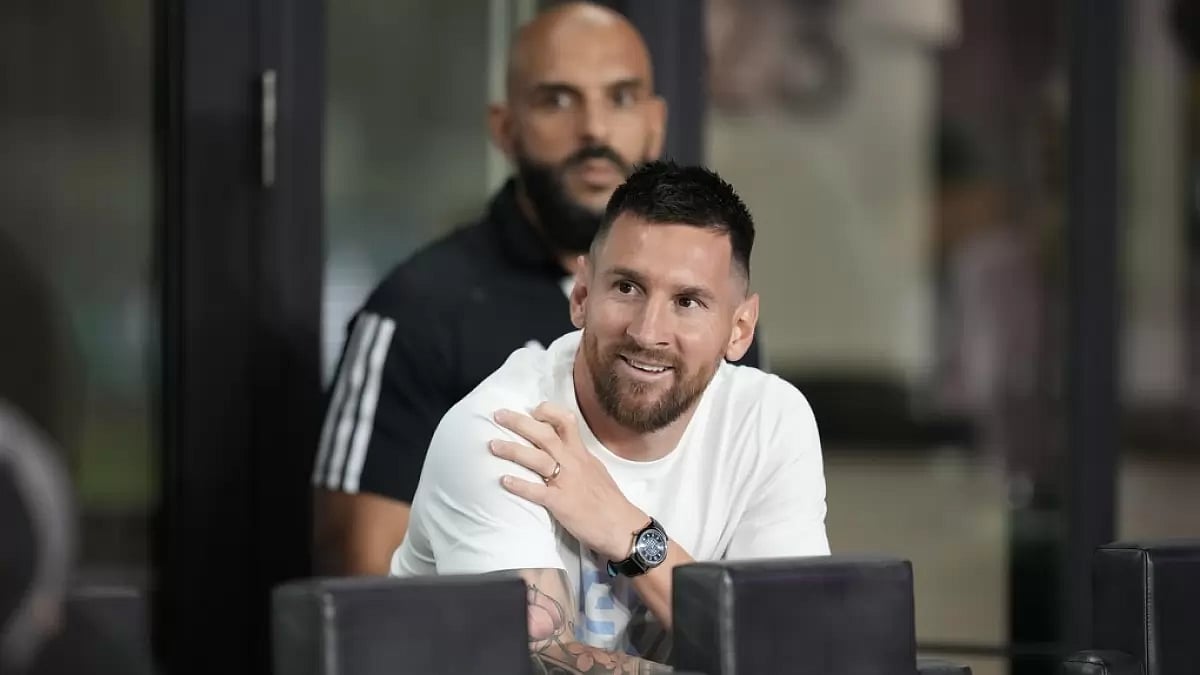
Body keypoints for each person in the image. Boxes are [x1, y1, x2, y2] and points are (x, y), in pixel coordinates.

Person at [311, 1, 763, 575]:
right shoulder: (417, 310)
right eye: (558, 99)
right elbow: (365, 577)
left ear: (655, 122)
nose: (594, 129)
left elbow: (760, 590)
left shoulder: (710, 315)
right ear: (505, 127)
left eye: (620, 98)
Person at [390, 161, 828, 673]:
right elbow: (538, 662)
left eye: (687, 301)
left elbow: (792, 648)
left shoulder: (771, 420)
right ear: (582, 296)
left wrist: (628, 531)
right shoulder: (503, 431)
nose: (648, 331)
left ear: (740, 329)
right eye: (626, 288)